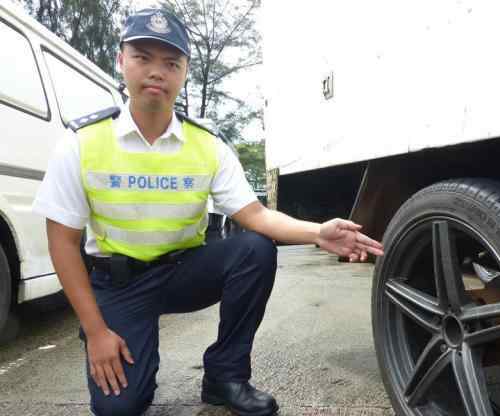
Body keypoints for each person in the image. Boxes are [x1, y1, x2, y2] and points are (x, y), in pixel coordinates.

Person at [32, 8, 384, 416]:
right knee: (120, 408)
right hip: (119, 283)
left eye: (171, 63)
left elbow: (255, 215)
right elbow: (63, 241)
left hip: (183, 271)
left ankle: (225, 376)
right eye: (143, 58)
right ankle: (130, 344)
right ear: (121, 60)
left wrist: (318, 232)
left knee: (254, 248)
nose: (156, 72)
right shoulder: (81, 143)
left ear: (184, 72)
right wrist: (95, 331)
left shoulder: (206, 144)